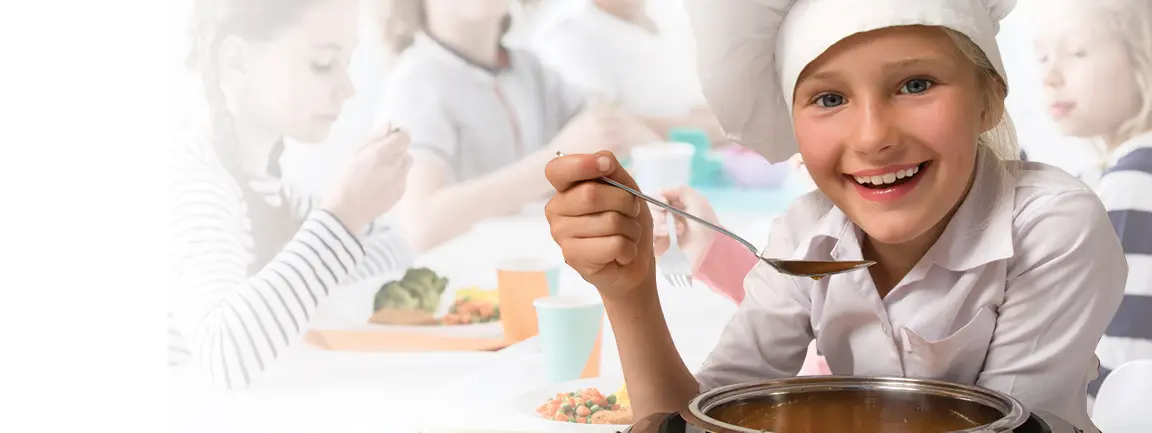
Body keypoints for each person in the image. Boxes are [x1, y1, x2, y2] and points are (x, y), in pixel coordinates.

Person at [542, 0, 1128, 431]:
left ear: (989, 100)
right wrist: (629, 288)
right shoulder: (805, 236)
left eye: (915, 84)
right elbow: (695, 421)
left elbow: (1006, 426)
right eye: (829, 98)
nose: (872, 138)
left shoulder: (1052, 229)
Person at [170, 0, 414, 390]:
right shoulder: (190, 182)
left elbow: (396, 252)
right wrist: (343, 217)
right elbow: (223, 353)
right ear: (237, 63)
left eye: (347, 62)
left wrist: (324, 250)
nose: (348, 89)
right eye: (322, 63)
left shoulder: (274, 194)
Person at [376, 0, 653, 253]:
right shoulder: (416, 84)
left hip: (534, 268)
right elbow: (421, 225)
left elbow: (608, 124)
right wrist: (555, 161)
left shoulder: (527, 70)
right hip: (467, 285)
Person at [1033, 0, 1152, 403]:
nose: (1049, 76)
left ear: (1142, 53)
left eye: (1077, 52)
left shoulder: (1135, 178)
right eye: (1043, 56)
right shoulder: (1109, 177)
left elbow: (1128, 365)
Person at [529, 0, 726, 142]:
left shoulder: (668, 12)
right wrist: (697, 130)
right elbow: (602, 123)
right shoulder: (567, 31)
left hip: (696, 158)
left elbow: (690, 97)